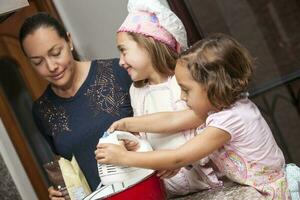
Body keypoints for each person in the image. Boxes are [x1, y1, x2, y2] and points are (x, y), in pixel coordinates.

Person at [96, 33, 291, 199]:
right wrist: (129, 124)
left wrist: (124, 158)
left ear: (212, 87)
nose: (182, 96)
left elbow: (177, 157)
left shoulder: (231, 118)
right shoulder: (216, 111)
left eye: (186, 90)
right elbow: (172, 120)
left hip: (268, 193)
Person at [97, 0, 221, 197]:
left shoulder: (183, 82)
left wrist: (131, 124)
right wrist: (138, 148)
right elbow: (150, 141)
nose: (120, 61)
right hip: (170, 191)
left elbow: (197, 117)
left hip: (209, 186)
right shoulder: (136, 91)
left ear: (149, 44)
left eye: (123, 50)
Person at [19, 12, 133, 199]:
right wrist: (61, 192)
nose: (51, 66)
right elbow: (69, 170)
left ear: (69, 42)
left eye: (56, 53)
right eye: (38, 62)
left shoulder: (117, 72)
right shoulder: (42, 110)